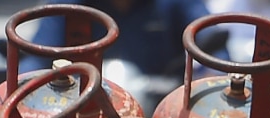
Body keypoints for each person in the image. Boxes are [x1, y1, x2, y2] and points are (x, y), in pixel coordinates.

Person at [20, 0, 221, 78]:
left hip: (162, 116)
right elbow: (36, 57)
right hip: (80, 113)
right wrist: (26, 82)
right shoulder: (68, 4)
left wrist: (210, 76)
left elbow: (211, 43)